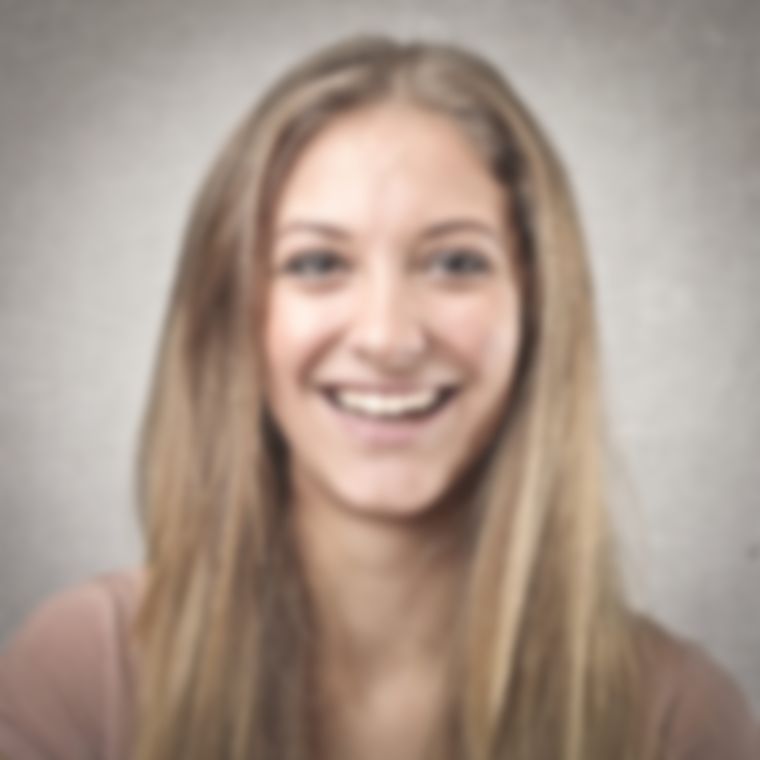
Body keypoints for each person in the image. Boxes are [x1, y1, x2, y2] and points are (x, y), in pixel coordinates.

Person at [0, 35, 757, 760]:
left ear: (538, 309)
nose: (388, 338)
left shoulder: (678, 721)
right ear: (232, 314)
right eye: (317, 263)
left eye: (455, 263)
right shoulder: (84, 676)